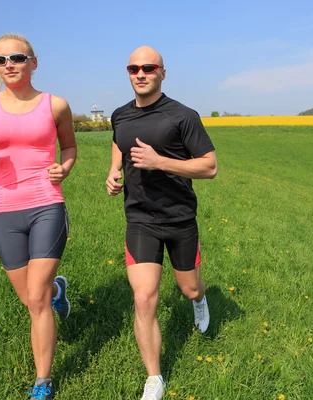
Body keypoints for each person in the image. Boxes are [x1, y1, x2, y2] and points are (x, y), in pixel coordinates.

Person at [0, 33, 77, 400]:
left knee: (36, 298)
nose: (9, 64)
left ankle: (42, 383)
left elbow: (70, 147)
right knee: (32, 300)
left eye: (16, 57)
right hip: (2, 209)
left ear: (33, 62)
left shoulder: (55, 105)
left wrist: (64, 168)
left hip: (46, 203)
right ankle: (58, 290)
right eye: (1, 60)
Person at [105, 46, 217, 400]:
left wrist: (160, 162)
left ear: (162, 73)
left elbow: (209, 166)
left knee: (189, 289)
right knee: (144, 297)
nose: (141, 73)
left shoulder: (183, 116)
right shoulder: (120, 116)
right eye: (133, 67)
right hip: (140, 218)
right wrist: (113, 171)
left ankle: (200, 300)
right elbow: (119, 144)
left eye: (148, 67)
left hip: (180, 218)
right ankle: (154, 378)